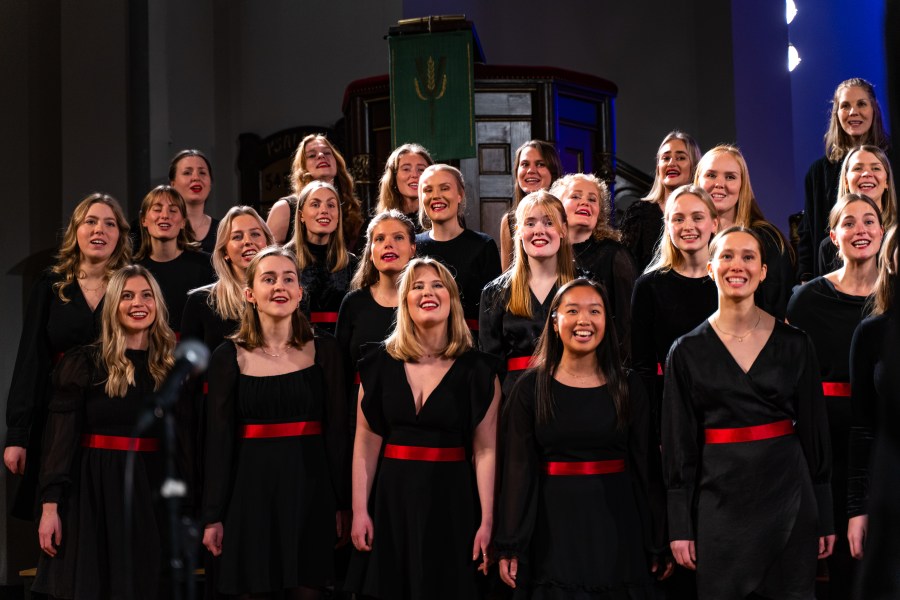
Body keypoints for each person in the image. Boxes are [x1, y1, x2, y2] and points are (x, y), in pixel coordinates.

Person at [663, 226, 834, 600]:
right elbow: (679, 445)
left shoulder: (796, 343)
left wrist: (825, 513)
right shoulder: (686, 351)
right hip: (719, 507)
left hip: (790, 500)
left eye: (748, 257)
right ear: (711, 268)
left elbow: (814, 430)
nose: (737, 265)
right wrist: (679, 525)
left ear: (763, 270)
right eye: (726, 256)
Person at [495, 278, 670, 598]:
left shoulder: (628, 386)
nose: (584, 320)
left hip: (618, 527)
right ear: (554, 321)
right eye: (572, 310)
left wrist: (657, 538)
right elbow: (517, 469)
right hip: (552, 529)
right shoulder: (530, 388)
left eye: (595, 311)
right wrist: (510, 543)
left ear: (607, 321)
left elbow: (645, 466)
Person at [346, 258, 501, 600]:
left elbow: (486, 450)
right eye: (417, 286)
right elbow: (365, 442)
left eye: (437, 285)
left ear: (452, 299)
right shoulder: (377, 364)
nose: (427, 292)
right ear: (405, 301)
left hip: (453, 503)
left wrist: (487, 520)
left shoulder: (479, 371)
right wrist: (360, 511)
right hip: (391, 503)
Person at [201, 246, 349, 599]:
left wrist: (344, 503)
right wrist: (212, 515)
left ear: (299, 292)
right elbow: (218, 441)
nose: (279, 286)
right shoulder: (227, 357)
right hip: (249, 498)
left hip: (311, 494)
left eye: (288, 279)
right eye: (268, 279)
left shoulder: (325, 350)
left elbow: (338, 433)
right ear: (250, 294)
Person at [31, 265, 176, 599]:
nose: (138, 303)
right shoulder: (85, 362)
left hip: (149, 491)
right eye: (127, 296)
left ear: (157, 304)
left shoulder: (169, 367)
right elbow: (60, 439)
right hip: (93, 490)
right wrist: (50, 507)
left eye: (146, 295)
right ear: (112, 305)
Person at [4, 193, 131, 520]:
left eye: (109, 223)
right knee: (60, 511)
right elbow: (30, 359)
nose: (99, 229)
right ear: (76, 230)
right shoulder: (51, 283)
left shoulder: (131, 285)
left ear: (120, 235)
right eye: (91, 221)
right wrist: (17, 434)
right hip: (57, 413)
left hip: (115, 410)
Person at [787, 193, 884, 598]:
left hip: (883, 442)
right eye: (849, 222)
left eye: (869, 221)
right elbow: (791, 378)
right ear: (833, 236)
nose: (860, 230)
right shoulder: (807, 299)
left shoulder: (893, 296)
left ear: (882, 231)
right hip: (826, 446)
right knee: (841, 561)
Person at [631, 185, 719, 440]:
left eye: (697, 217)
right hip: (670, 408)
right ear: (667, 226)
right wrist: (652, 429)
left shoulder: (728, 281)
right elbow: (643, 367)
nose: (687, 226)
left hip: (726, 408)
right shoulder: (648, 286)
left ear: (714, 224)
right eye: (678, 219)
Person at [480, 191, 575, 397]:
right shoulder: (495, 293)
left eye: (549, 222)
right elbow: (490, 366)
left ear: (563, 230)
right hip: (515, 398)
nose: (539, 230)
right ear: (518, 231)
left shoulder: (583, 287)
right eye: (530, 223)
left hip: (572, 393)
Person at [847, 224, 898, 590]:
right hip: (891, 488)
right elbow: (862, 426)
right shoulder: (871, 332)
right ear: (891, 260)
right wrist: (857, 508)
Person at [798, 78, 891, 281]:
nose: (853, 112)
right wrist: (806, 280)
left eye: (861, 104)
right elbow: (807, 235)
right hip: (833, 275)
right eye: (845, 106)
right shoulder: (817, 173)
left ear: (874, 109)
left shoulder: (893, 162)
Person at [694, 144, 795, 319]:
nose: (719, 184)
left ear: (742, 185)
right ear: (698, 182)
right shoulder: (691, 239)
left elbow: (777, 308)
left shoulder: (766, 238)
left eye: (730, 177)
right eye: (711, 175)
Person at [336, 211, 417, 420]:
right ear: (371, 253)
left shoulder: (425, 302)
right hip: (360, 413)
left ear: (413, 249)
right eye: (379, 239)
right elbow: (340, 373)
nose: (388, 244)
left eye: (398, 237)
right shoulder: (353, 303)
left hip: (414, 413)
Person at [551, 172, 636, 360]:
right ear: (557, 206)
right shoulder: (547, 252)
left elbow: (626, 323)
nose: (585, 202)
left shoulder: (615, 255)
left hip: (603, 361)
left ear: (600, 212)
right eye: (575, 196)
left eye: (592, 199)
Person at [415, 164, 501, 339]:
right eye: (428, 190)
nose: (436, 196)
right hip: (422, 342)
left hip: (471, 342)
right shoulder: (413, 246)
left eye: (444, 188)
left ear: (460, 195)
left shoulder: (483, 246)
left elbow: (494, 311)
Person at [181, 206, 275, 352]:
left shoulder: (285, 295)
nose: (248, 241)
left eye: (255, 234)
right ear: (225, 251)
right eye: (237, 237)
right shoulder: (200, 301)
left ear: (267, 244)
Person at [136, 185, 215, 332]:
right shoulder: (133, 271)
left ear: (183, 222)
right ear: (143, 220)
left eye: (173, 210)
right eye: (157, 209)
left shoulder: (207, 265)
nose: (165, 215)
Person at [621, 131, 702, 272]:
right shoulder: (639, 213)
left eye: (680, 158)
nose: (672, 163)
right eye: (666, 158)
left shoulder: (706, 213)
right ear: (658, 167)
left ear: (694, 166)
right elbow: (625, 269)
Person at [267, 134, 364, 250]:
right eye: (312, 155)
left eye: (327, 153)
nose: (321, 155)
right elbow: (267, 256)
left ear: (337, 163)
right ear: (303, 167)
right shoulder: (284, 208)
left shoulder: (349, 207)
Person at [287, 180, 358, 336]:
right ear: (301, 215)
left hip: (340, 343)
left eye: (331, 205)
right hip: (296, 340)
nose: (324, 210)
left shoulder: (352, 263)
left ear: (338, 216)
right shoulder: (283, 260)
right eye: (315, 204)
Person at [818, 144, 897, 274]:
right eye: (858, 168)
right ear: (846, 182)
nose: (866, 174)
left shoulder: (896, 236)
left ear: (887, 181)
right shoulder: (827, 247)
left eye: (876, 168)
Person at [499, 140, 562, 271]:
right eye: (525, 164)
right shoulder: (509, 221)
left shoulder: (566, 215)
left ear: (553, 171)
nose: (531, 170)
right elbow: (507, 275)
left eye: (540, 164)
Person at [169, 149, 220, 253]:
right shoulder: (159, 228)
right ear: (172, 184)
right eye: (187, 173)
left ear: (210, 184)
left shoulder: (224, 231)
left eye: (202, 173)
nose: (196, 178)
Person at [375, 143, 434, 229]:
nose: (414, 175)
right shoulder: (376, 225)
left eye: (421, 169)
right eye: (406, 169)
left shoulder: (443, 222)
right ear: (393, 177)